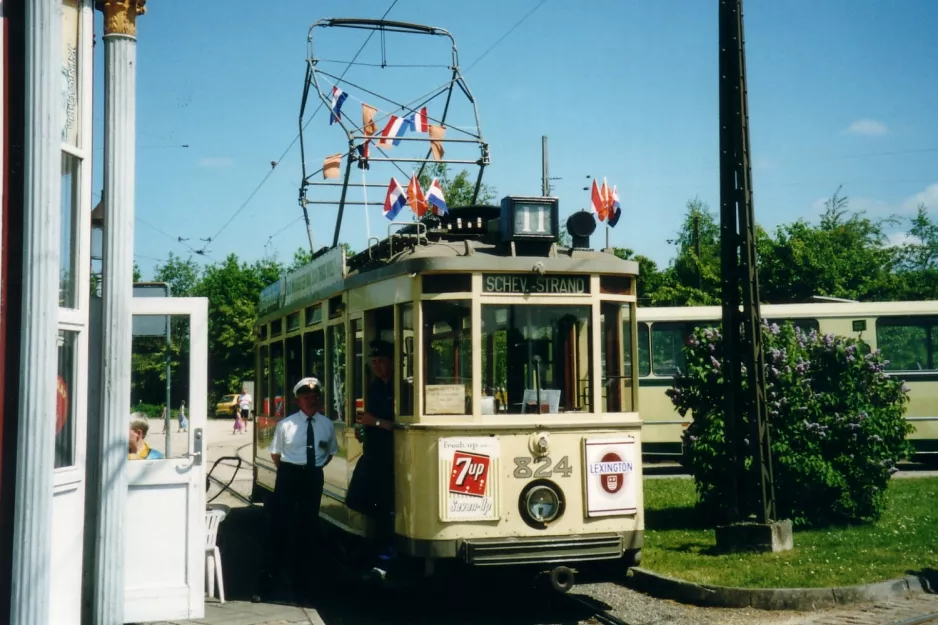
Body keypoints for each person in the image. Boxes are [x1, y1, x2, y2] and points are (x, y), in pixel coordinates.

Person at [264, 377, 337, 605]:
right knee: (281, 528)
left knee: (307, 531)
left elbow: (330, 452)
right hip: (289, 476)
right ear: (298, 400)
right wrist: (291, 472)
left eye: (314, 397)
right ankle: (267, 584)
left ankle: (303, 586)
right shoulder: (286, 425)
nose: (311, 400)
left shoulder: (327, 424)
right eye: (306, 397)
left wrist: (313, 470)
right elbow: (276, 455)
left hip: (312, 477)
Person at [347, 339, 396, 574]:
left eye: (381, 361)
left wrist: (373, 422)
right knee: (357, 498)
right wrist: (363, 431)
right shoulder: (376, 386)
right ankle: (374, 550)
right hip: (373, 452)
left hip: (391, 457)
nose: (376, 365)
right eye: (373, 361)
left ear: (391, 362)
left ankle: (384, 556)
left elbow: (398, 425)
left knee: (384, 507)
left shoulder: (402, 387)